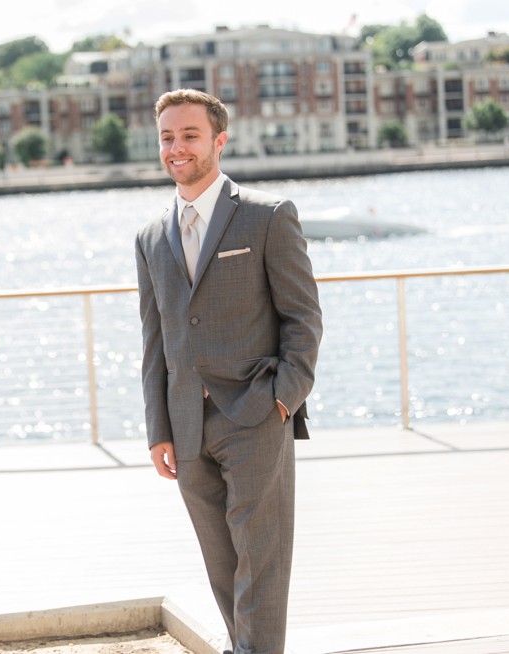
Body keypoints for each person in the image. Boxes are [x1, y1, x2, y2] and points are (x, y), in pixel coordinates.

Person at [135, 89, 322, 654]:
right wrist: (158, 429)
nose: (177, 148)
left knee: (261, 563)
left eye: (190, 135)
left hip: (255, 413)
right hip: (186, 426)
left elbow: (303, 320)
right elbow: (153, 339)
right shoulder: (149, 236)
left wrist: (282, 401)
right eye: (168, 137)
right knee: (221, 563)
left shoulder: (267, 216)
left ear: (219, 140)